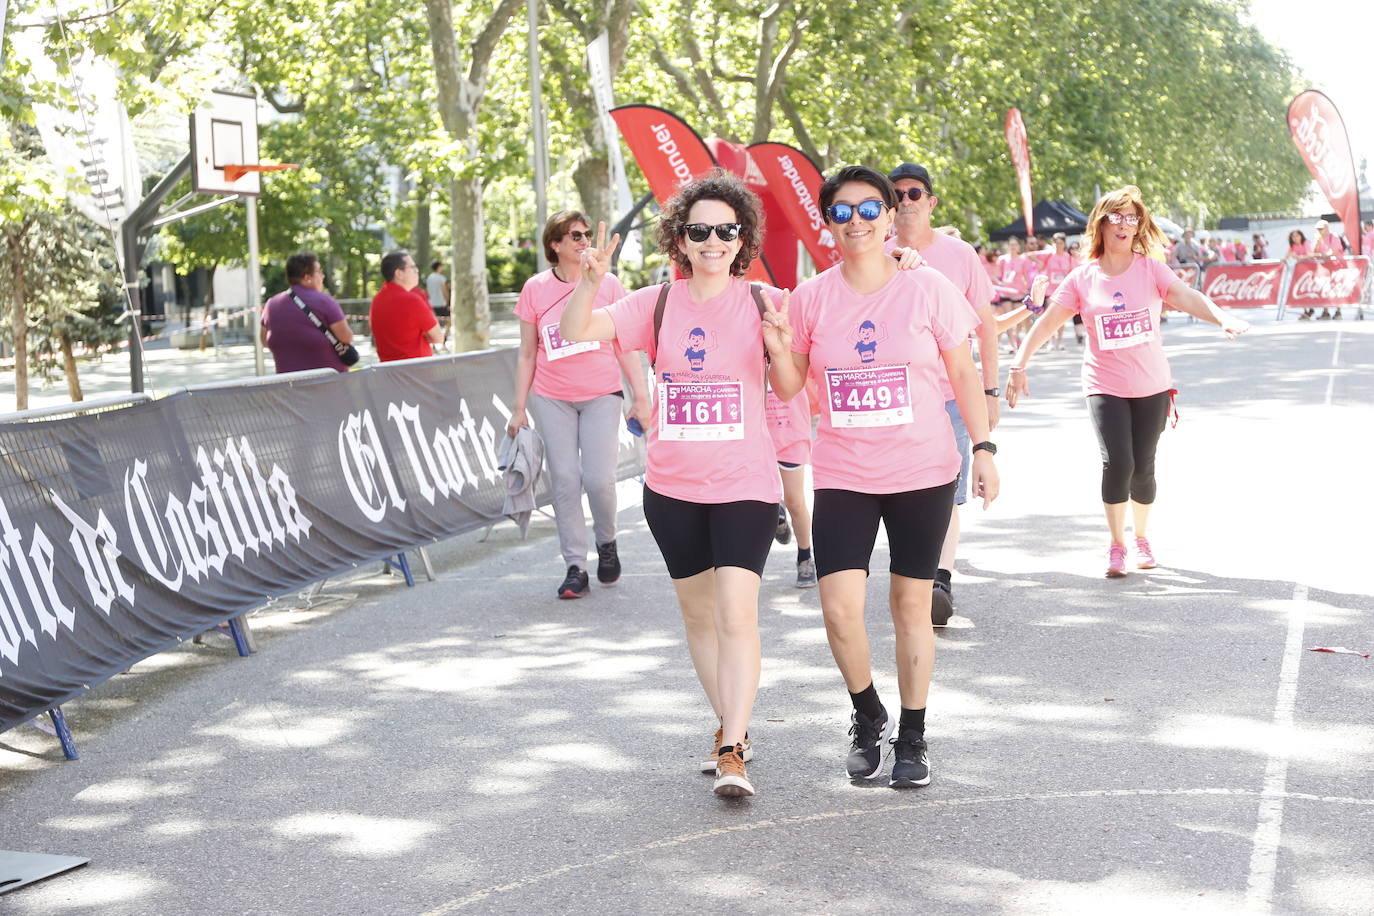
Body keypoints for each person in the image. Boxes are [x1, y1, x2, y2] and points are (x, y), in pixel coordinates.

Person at [559, 170, 796, 799]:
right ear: (681, 239)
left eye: (725, 230)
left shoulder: (764, 300)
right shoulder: (655, 303)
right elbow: (579, 331)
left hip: (745, 484)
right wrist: (587, 281)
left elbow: (795, 386)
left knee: (736, 612)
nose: (713, 240)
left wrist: (781, 347)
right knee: (698, 617)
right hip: (671, 488)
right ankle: (728, 724)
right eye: (700, 230)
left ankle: (734, 748)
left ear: (741, 237)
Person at [790, 165, 999, 789]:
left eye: (869, 208)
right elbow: (791, 384)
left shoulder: (928, 286)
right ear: (828, 223)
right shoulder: (810, 297)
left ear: (888, 216)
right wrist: (778, 345)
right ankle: (867, 713)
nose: (857, 222)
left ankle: (913, 735)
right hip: (844, 472)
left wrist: (985, 446)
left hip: (922, 468)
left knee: (911, 604)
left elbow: (962, 373)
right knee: (838, 610)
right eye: (842, 212)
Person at [1005, 186, 1249, 577]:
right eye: (1115, 217)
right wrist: (1018, 363)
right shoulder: (1083, 278)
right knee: (1117, 462)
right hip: (1104, 384)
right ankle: (1117, 544)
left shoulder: (1151, 269)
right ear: (1101, 224)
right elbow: (1048, 322)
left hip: (1152, 383)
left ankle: (1142, 537)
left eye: (1131, 217)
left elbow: (1187, 296)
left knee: (1143, 468)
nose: (1123, 224)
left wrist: (1221, 318)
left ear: (1139, 227)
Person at [507, 211, 651, 600]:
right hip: (552, 396)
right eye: (575, 235)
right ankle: (575, 565)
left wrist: (640, 396)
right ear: (555, 244)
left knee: (599, 479)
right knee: (566, 480)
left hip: (602, 394)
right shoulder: (535, 289)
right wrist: (518, 408)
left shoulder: (610, 284)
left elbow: (625, 345)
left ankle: (607, 542)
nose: (584, 240)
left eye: (587, 234)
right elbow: (526, 353)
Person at [884, 161, 999, 625]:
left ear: (931, 202)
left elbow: (986, 326)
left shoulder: (960, 254)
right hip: (896, 397)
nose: (905, 201)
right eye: (896, 195)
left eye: (915, 194)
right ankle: (914, 572)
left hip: (952, 392)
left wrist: (990, 390)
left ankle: (940, 580)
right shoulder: (874, 253)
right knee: (902, 490)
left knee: (947, 487)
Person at [260, 251, 354, 373]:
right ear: (307, 278)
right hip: (328, 384)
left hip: (288, 386)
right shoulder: (325, 301)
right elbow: (346, 337)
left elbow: (264, 341)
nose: (323, 276)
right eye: (319, 272)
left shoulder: (271, 304)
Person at [767, 388, 817, 587]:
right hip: (755, 433)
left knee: (795, 502)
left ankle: (805, 557)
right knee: (760, 500)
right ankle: (777, 515)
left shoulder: (794, 354)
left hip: (790, 431)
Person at [370, 251, 444, 361]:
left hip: (387, 372)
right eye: (413, 267)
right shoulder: (412, 300)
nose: (417, 270)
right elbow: (438, 338)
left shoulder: (377, 300)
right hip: (415, 370)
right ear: (399, 273)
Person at [994, 236, 1035, 350]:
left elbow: (1027, 276)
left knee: (1019, 319)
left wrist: (1027, 289)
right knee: (1007, 318)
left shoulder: (1023, 259)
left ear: (1018, 246)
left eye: (1015, 245)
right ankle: (1012, 344)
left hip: (1019, 293)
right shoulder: (1002, 259)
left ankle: (1016, 336)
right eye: (1011, 245)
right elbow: (997, 276)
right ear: (1008, 246)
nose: (1013, 247)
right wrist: (1000, 283)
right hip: (1006, 293)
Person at [1311, 219, 1345, 319]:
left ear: (1326, 228)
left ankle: (1338, 311)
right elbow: (1314, 253)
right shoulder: (1318, 238)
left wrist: (1323, 256)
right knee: (1324, 288)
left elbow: (1334, 251)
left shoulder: (1333, 236)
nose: (1319, 231)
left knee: (1336, 287)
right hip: (1324, 267)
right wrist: (1317, 244)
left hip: (1335, 266)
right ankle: (1325, 312)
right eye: (1318, 229)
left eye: (1321, 228)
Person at [425, 260, 450, 332]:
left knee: (433, 321)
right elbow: (445, 291)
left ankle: (434, 339)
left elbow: (427, 291)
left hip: (431, 303)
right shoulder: (441, 278)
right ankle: (444, 337)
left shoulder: (429, 277)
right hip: (441, 303)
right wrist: (448, 302)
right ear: (438, 267)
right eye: (442, 266)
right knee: (449, 319)